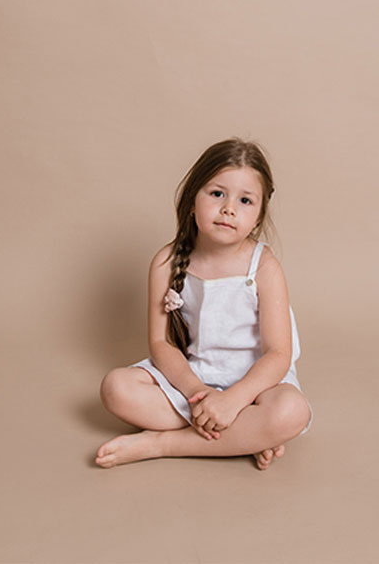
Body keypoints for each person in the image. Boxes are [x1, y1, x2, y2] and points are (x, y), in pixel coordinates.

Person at [95, 137, 313, 470]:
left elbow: (278, 354)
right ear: (192, 199)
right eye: (217, 194)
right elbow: (161, 343)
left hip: (255, 384)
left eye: (245, 200)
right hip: (193, 376)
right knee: (116, 388)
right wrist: (198, 393)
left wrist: (234, 400)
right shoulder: (166, 262)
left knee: (291, 411)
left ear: (258, 216)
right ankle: (244, 435)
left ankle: (162, 444)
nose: (229, 209)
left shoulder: (264, 267)